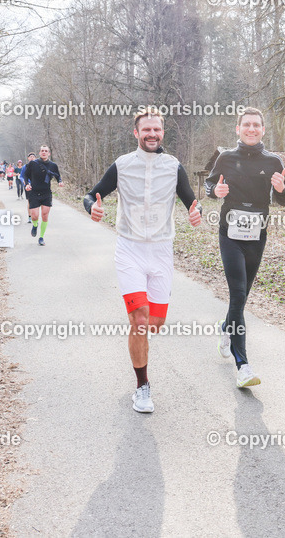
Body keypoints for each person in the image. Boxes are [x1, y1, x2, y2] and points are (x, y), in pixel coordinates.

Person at [84, 109, 202, 413]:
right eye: (146, 129)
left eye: (157, 129)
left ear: (163, 132)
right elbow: (91, 195)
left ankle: (140, 337)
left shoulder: (174, 166)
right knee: (139, 320)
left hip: (162, 252)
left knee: (155, 323)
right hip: (130, 250)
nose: (152, 134)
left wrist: (195, 211)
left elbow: (190, 199)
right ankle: (142, 387)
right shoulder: (122, 166)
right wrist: (91, 209)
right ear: (136, 133)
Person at [205, 108, 285, 388]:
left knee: (241, 298)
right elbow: (209, 185)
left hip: (257, 234)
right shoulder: (226, 157)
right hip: (230, 231)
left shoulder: (274, 161)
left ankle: (226, 328)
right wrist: (215, 192)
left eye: (256, 125)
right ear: (238, 128)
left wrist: (280, 189)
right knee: (238, 292)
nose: (251, 129)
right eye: (247, 125)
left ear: (263, 129)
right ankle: (242, 365)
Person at [21, 146, 63, 246]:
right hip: (34, 192)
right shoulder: (33, 163)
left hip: (46, 193)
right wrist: (26, 184)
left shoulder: (53, 165)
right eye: (42, 151)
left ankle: (41, 237)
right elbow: (26, 175)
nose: (44, 152)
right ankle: (35, 225)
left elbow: (58, 176)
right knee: (35, 216)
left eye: (46, 151)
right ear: (39, 153)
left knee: (45, 215)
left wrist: (60, 182)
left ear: (49, 153)